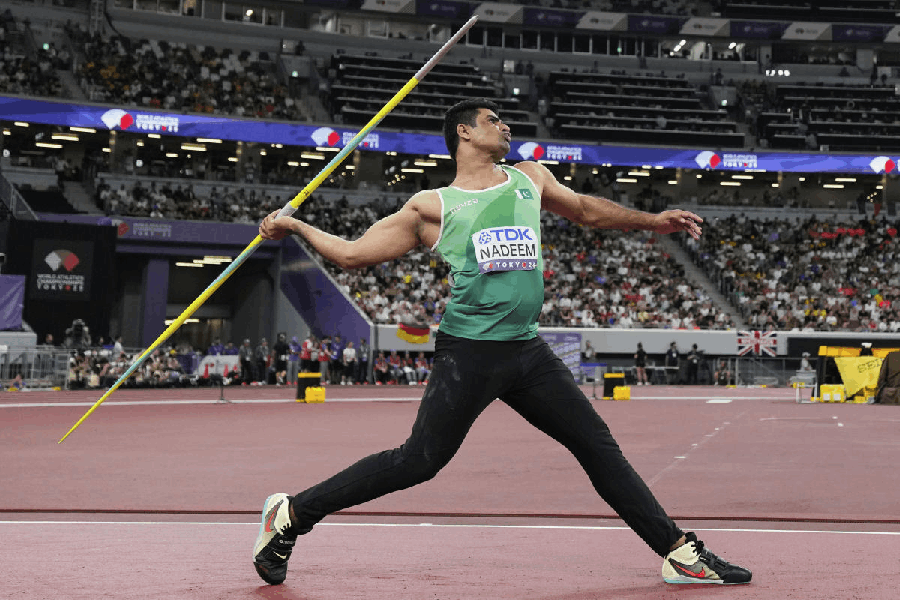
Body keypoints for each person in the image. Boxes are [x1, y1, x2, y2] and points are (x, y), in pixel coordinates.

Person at [254, 98, 750, 586]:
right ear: (465, 132)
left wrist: (653, 221)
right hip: (469, 353)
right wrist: (292, 224)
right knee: (418, 461)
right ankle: (292, 513)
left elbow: (585, 211)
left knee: (598, 447)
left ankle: (678, 553)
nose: (506, 127)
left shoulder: (529, 177)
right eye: (494, 120)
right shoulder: (432, 207)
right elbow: (351, 255)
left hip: (527, 351)